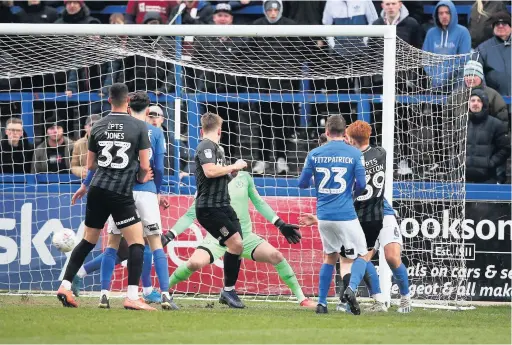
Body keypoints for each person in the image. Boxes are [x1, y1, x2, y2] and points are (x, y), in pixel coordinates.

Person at [57, 83, 154, 311]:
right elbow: (144, 166)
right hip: (120, 192)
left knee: (88, 241)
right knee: (137, 242)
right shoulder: (139, 127)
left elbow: (90, 165)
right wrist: (140, 177)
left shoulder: (97, 126)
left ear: (109, 100)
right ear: (127, 101)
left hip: (98, 189)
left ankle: (65, 285)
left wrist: (84, 186)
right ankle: (132, 296)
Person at [165, 170, 316, 308]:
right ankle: (163, 291)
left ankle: (302, 298)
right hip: (217, 237)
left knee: (276, 256)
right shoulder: (208, 182)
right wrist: (170, 234)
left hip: (245, 237)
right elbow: (190, 214)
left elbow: (259, 203)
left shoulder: (244, 177)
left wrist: (280, 224)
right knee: (194, 263)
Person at [94, 92, 178, 310]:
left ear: (129, 105)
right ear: (149, 108)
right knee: (155, 243)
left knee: (113, 242)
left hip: (122, 192)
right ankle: (165, 295)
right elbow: (158, 167)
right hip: (147, 192)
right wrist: (157, 191)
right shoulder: (157, 132)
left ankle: (104, 294)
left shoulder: (124, 128)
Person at [297, 115, 368, 315]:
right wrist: (349, 195)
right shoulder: (354, 154)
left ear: (327, 132)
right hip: (346, 213)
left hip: (324, 216)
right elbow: (361, 185)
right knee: (363, 253)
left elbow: (302, 183)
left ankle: (321, 303)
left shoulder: (314, 153)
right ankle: (350, 290)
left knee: (329, 257)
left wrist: (318, 184)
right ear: (345, 132)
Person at [194, 112, 247, 308]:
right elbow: (210, 171)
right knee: (235, 244)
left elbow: (220, 175)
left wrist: (231, 172)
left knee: (237, 245)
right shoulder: (205, 146)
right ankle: (228, 291)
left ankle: (228, 290)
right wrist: (234, 165)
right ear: (219, 130)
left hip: (224, 205)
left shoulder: (219, 149)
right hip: (209, 208)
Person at [422, 0, 471, 92]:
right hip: (434, 85)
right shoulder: (431, 33)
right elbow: (425, 58)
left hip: (456, 84)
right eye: (441, 13)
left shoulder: (463, 32)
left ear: (453, 14)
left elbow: (464, 59)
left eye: (447, 13)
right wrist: (434, 76)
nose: (444, 16)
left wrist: (448, 76)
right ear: (437, 16)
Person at [465, 89, 510, 184]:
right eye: (472, 101)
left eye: (479, 101)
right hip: (464, 180)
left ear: (484, 104)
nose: (475, 103)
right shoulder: (461, 123)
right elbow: (454, 145)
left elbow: (505, 149)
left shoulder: (496, 124)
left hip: (488, 179)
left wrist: (491, 163)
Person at [476, 11, 511, 96]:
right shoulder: (483, 49)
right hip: (495, 101)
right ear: (493, 27)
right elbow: (476, 74)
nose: (500, 26)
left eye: (504, 23)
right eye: (497, 24)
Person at [71, 114, 101, 179]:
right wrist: (81, 171)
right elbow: (73, 166)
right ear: (85, 127)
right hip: (85, 180)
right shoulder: (78, 144)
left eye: (98, 125)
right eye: (91, 125)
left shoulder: (109, 142)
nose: (94, 128)